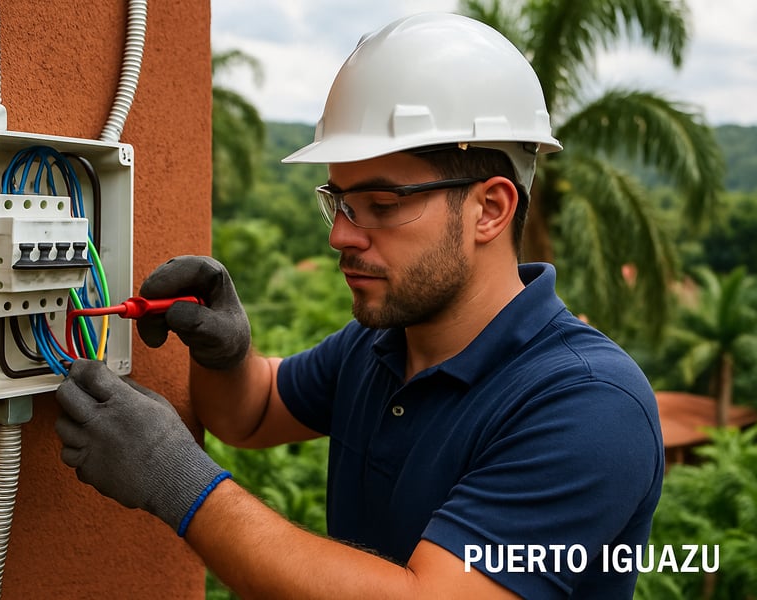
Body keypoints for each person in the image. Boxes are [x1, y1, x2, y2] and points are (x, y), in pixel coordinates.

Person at [55, 13, 664, 599]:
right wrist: (227, 356)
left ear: (490, 209)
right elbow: (254, 412)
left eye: (382, 203)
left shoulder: (588, 405)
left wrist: (178, 481)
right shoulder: (383, 342)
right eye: (340, 200)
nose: (340, 235)